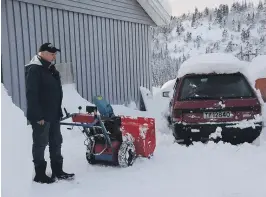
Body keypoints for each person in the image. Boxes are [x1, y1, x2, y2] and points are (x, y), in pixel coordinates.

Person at [25, 43, 75, 184]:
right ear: (42, 53)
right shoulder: (34, 69)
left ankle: (57, 170)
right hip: (42, 116)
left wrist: (58, 111)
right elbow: (32, 95)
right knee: (40, 143)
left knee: (56, 142)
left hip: (53, 114)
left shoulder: (50, 69)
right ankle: (40, 174)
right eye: (52, 54)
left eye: (55, 54)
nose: (54, 56)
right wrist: (37, 116)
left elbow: (55, 93)